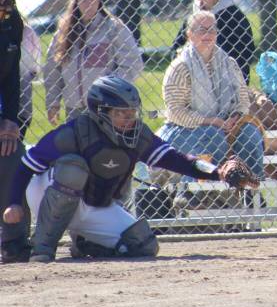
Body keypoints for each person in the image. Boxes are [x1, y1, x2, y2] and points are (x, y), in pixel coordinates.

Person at [2, 76, 257, 262]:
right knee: (73, 168)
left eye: (132, 113)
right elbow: (26, 166)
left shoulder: (139, 136)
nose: (129, 119)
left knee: (143, 245)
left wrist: (218, 172)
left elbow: (177, 159)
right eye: (121, 114)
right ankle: (43, 248)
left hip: (93, 204)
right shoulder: (74, 132)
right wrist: (14, 203)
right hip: (46, 194)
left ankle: (86, 241)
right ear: (100, 112)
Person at [159, 11, 264, 180]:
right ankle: (196, 193)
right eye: (201, 30)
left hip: (225, 126)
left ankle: (251, 191)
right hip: (183, 131)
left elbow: (242, 101)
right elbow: (175, 112)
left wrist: (235, 117)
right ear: (189, 34)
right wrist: (211, 122)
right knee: (212, 136)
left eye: (212, 29)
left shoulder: (229, 63)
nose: (207, 34)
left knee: (250, 134)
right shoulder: (180, 67)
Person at [43, 0, 143, 125]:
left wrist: (108, 90)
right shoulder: (63, 33)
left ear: (99, 1)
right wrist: (53, 102)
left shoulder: (114, 28)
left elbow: (133, 64)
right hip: (74, 109)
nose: (89, 1)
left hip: (107, 108)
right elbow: (52, 70)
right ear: (75, 1)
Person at [172, 0, 256, 83]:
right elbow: (176, 47)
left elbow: (244, 54)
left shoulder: (231, 15)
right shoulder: (195, 13)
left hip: (227, 83)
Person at [0, 0, 31, 263]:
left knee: (13, 153)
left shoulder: (11, 23)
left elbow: (11, 80)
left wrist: (10, 120)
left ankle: (14, 239)